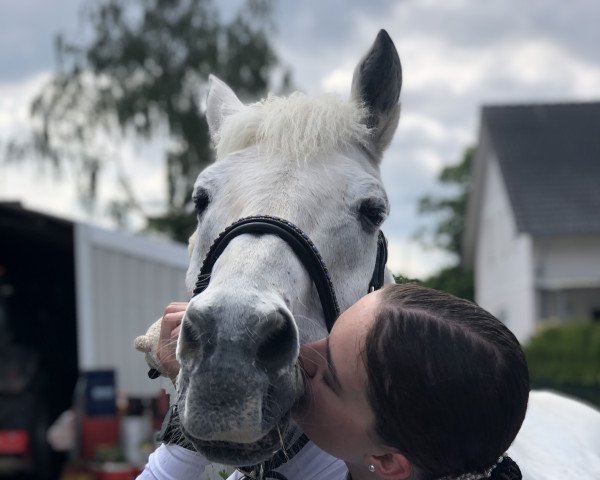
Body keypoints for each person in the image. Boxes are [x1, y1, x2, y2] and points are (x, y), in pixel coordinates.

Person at [139, 283, 529, 480]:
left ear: (389, 462)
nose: (305, 353)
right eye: (330, 333)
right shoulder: (355, 455)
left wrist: (196, 394)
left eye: (331, 377)